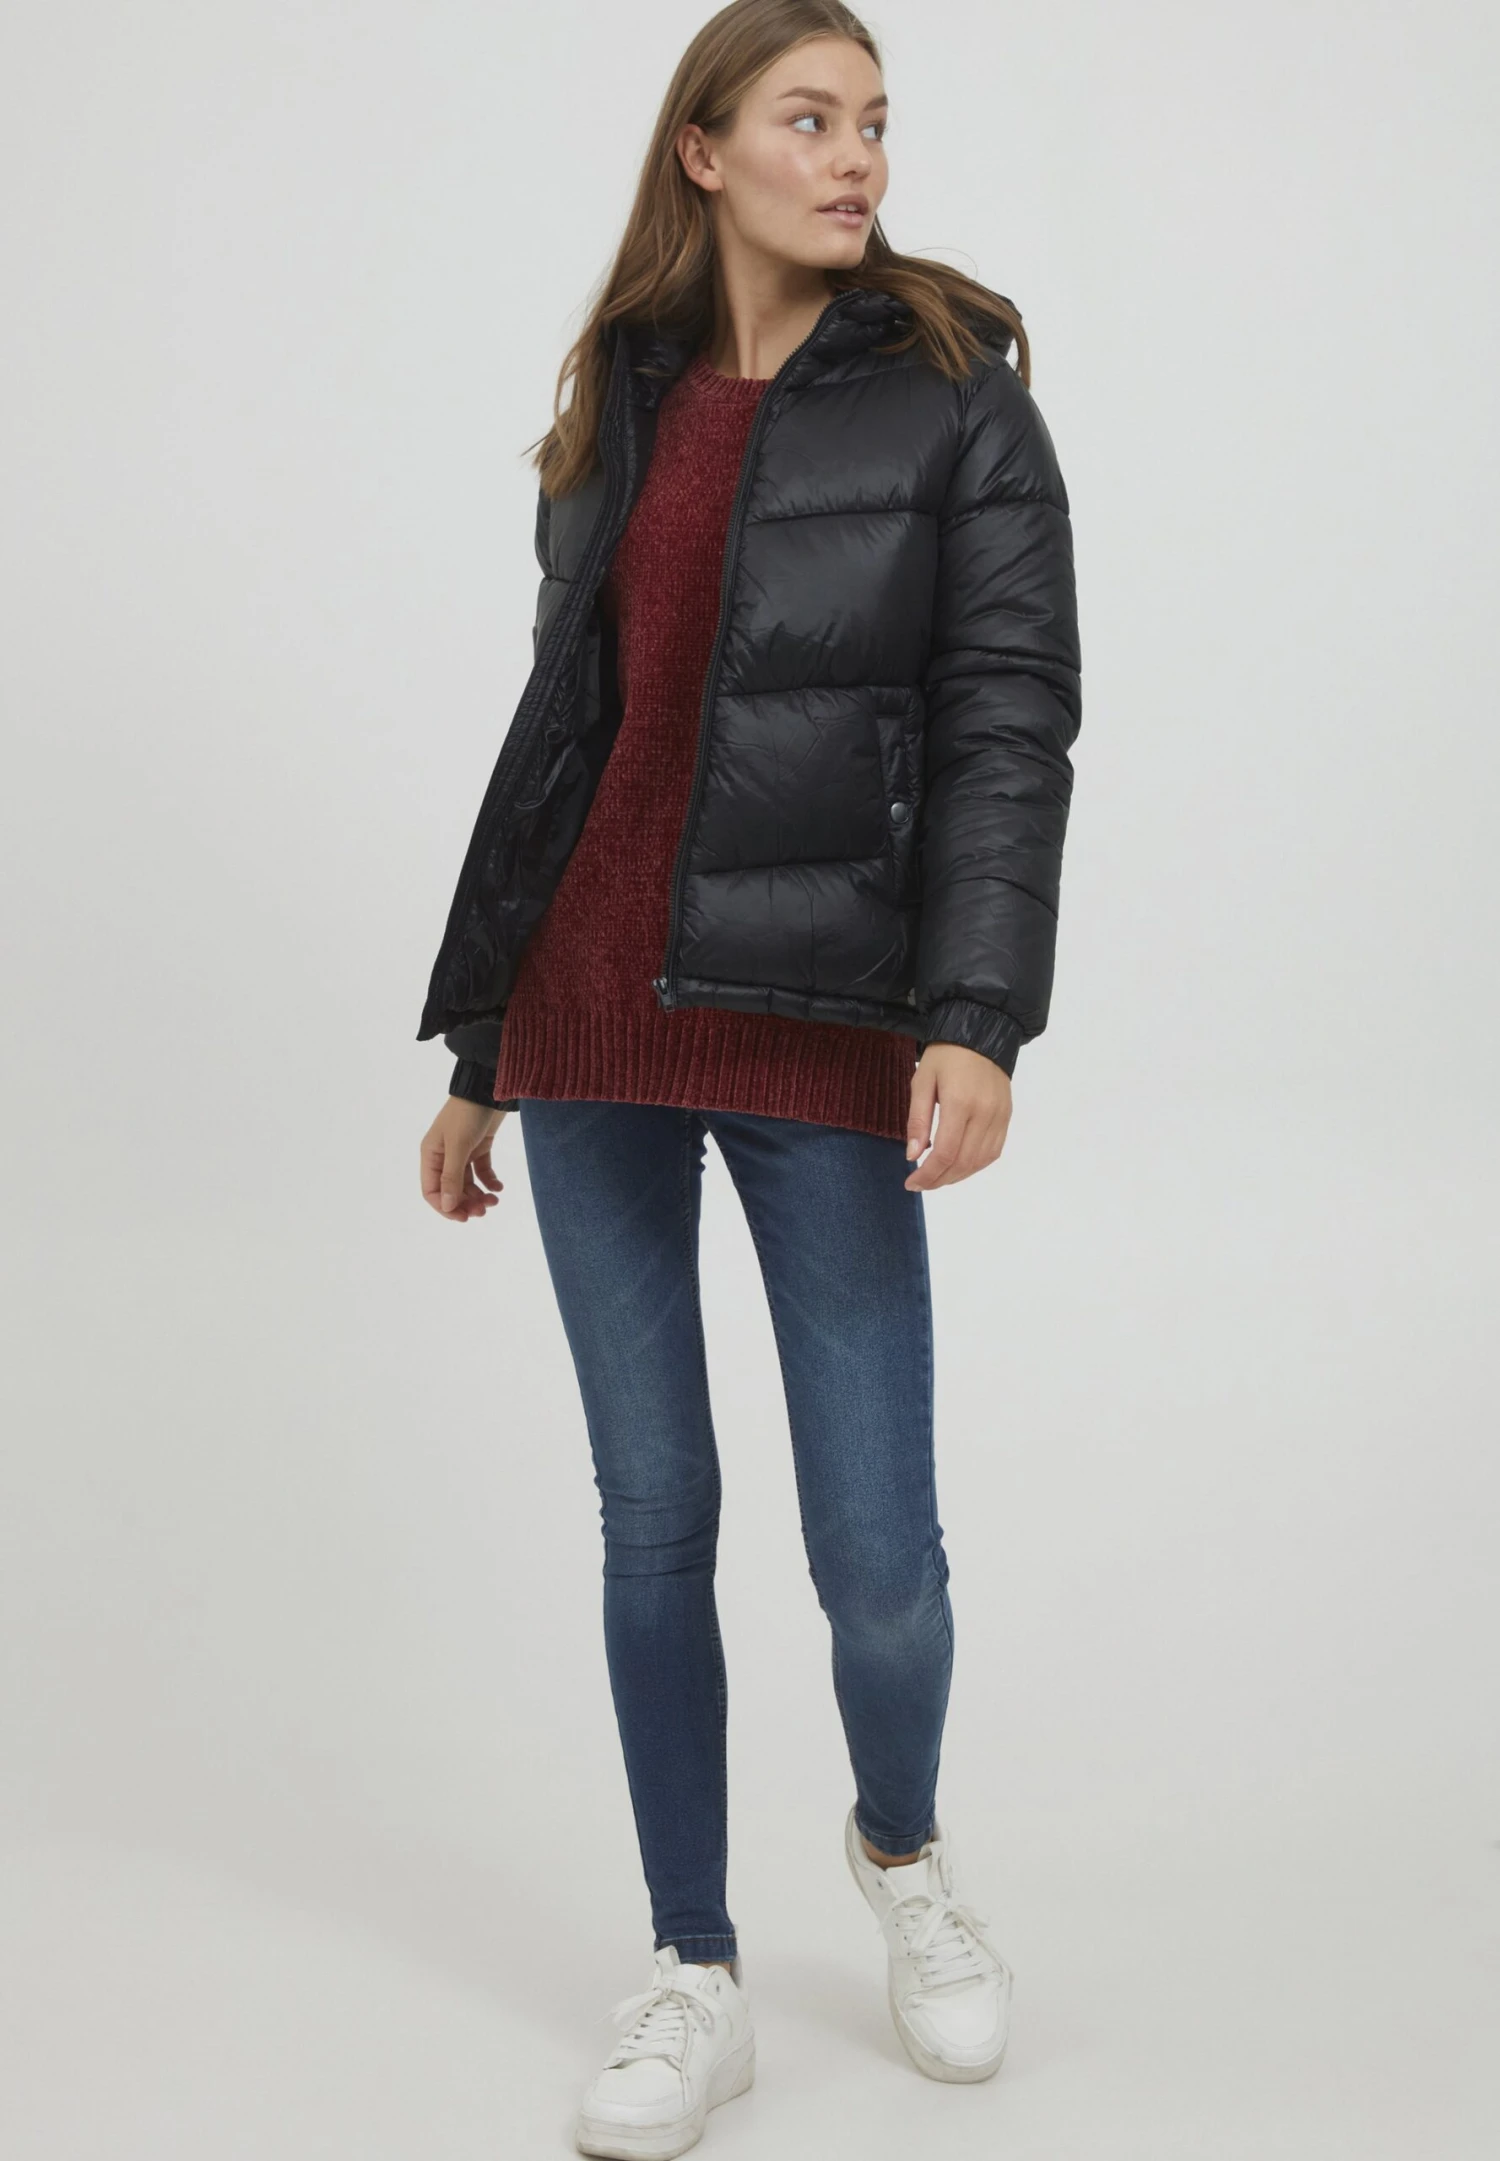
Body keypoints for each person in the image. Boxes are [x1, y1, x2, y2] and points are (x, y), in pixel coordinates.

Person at [416, 3, 1081, 2153]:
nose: (857, 155)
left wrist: (975, 1014)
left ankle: (902, 1852)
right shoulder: (617, 390)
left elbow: (1009, 713)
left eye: (876, 120)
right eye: (811, 118)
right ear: (704, 151)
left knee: (876, 1552)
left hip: (825, 1023)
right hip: (590, 1023)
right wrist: (482, 1044)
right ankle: (692, 1967)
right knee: (656, 1514)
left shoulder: (959, 390)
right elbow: (564, 734)